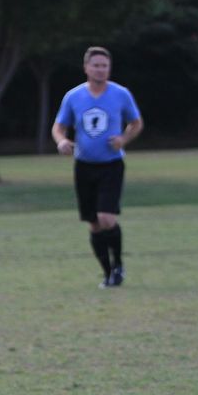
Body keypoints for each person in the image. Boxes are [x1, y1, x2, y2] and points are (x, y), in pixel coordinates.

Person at [51, 46, 144, 288]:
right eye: (96, 65)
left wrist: (123, 139)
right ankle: (108, 273)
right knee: (93, 223)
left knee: (106, 218)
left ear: (109, 68)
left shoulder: (121, 94)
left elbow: (136, 123)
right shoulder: (73, 97)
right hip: (84, 166)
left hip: (111, 165)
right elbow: (59, 126)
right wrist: (61, 141)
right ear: (86, 68)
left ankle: (119, 264)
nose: (101, 70)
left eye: (105, 66)